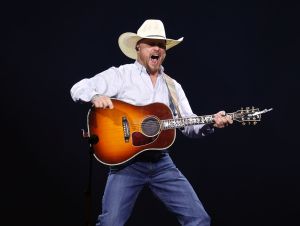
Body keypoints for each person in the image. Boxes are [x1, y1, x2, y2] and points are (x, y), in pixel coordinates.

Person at [70, 19, 233, 226]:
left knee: (199, 219)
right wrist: (94, 96)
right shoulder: (122, 75)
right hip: (126, 165)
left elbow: (189, 125)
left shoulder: (173, 86)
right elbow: (78, 87)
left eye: (161, 45)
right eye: (151, 43)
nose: (157, 48)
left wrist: (211, 122)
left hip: (161, 164)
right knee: (110, 223)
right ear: (138, 47)